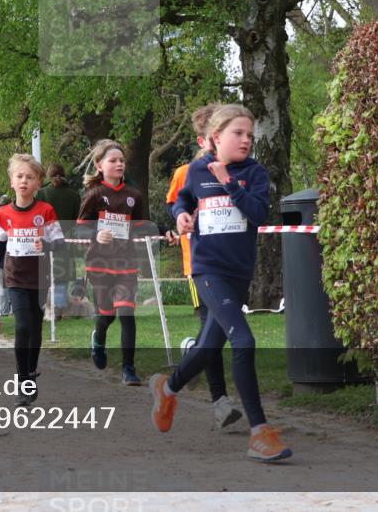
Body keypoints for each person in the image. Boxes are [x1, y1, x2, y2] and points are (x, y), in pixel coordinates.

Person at [151, 104, 292, 462]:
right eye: (238, 134)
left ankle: (167, 388)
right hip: (207, 270)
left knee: (207, 347)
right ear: (216, 137)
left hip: (238, 273)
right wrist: (181, 215)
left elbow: (258, 214)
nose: (246, 140)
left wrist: (229, 182)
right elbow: (181, 199)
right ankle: (259, 433)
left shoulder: (255, 174)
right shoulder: (196, 171)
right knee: (243, 340)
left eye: (250, 135)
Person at [165, 103, 242, 429]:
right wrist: (181, 219)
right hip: (200, 265)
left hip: (233, 266)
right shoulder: (187, 172)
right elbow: (175, 204)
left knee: (215, 333)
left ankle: (188, 361)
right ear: (204, 141)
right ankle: (220, 402)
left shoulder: (241, 167)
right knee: (218, 330)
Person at [0, 154, 65, 406]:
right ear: (11, 181)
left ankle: (31, 371)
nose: (24, 181)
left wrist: (44, 242)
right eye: (19, 176)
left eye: (29, 177)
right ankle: (22, 380)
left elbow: (60, 244)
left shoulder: (45, 211)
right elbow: (0, 244)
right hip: (15, 277)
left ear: (38, 183)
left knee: (35, 327)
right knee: (22, 326)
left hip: (40, 277)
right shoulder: (4, 213)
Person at [77, 140, 150, 386]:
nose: (119, 164)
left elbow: (140, 228)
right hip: (99, 265)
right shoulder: (94, 195)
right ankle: (98, 339)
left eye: (122, 160)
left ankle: (129, 369)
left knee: (127, 313)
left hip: (126, 264)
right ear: (100, 166)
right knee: (107, 315)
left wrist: (160, 234)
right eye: (113, 160)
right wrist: (96, 234)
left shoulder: (134, 196)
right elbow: (80, 230)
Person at [37, 163, 81, 318]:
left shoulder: (41, 194)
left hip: (46, 239)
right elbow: (76, 219)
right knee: (62, 275)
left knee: (45, 275)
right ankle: (60, 309)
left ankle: (48, 310)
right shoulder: (74, 195)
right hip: (67, 240)